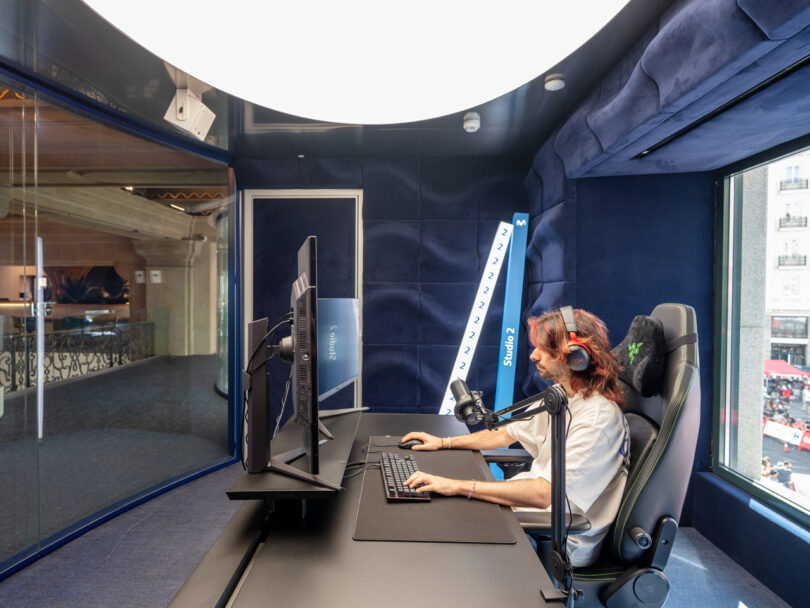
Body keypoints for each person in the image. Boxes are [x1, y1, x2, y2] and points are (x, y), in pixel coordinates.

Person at [400, 307, 629, 567]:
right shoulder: (563, 395)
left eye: (544, 349)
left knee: (441, 532)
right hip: (529, 516)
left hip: (554, 540)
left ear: (575, 356)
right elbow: (506, 432)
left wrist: (457, 486)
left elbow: (545, 494)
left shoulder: (596, 420)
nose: (533, 355)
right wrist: (443, 443)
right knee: (436, 516)